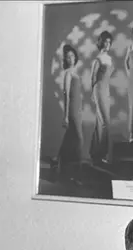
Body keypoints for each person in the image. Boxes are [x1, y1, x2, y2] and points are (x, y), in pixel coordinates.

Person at [57, 44, 83, 183]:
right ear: (65, 60)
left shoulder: (76, 72)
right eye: (68, 57)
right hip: (72, 109)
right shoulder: (68, 73)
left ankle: (61, 166)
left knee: (70, 138)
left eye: (72, 56)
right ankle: (76, 173)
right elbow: (66, 95)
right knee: (78, 139)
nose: (70, 59)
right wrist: (66, 116)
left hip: (78, 108)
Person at [90, 30, 114, 164]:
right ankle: (102, 154)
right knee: (104, 122)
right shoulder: (97, 59)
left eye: (110, 42)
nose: (108, 44)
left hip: (106, 90)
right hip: (98, 89)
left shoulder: (109, 59)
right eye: (106, 42)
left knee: (100, 122)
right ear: (101, 43)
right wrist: (93, 94)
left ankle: (95, 153)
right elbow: (93, 78)